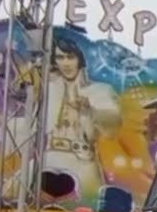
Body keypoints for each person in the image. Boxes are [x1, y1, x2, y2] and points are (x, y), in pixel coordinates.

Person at [44, 36, 120, 202]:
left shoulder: (100, 91)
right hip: (49, 158)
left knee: (88, 209)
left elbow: (112, 127)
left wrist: (90, 108)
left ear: (79, 59)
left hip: (83, 162)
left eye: (70, 57)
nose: (66, 63)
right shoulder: (47, 88)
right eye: (60, 58)